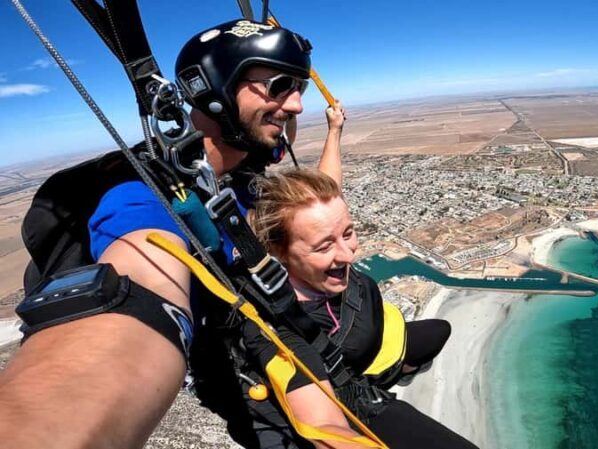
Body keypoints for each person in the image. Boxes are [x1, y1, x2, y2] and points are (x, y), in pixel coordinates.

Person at [0, 19, 345, 449]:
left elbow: (321, 201)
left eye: (300, 89)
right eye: (279, 86)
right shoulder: (141, 196)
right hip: (259, 393)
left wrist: (333, 132)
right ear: (216, 91)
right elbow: (138, 297)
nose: (295, 105)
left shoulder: (241, 180)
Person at [236, 167, 475, 449]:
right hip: (348, 392)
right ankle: (378, 382)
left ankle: (394, 372)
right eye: (324, 247)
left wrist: (335, 129)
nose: (348, 253)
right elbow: (323, 427)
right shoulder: (281, 326)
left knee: (438, 330)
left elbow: (324, 201)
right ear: (278, 251)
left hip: (365, 348)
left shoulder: (316, 256)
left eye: (348, 233)